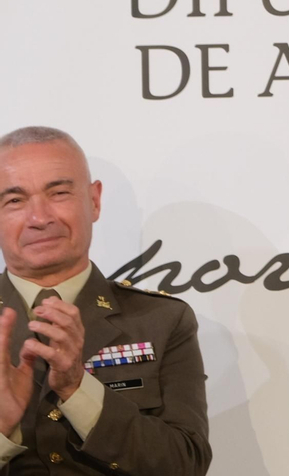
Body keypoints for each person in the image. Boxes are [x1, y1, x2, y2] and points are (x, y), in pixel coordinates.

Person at [0, 126, 211, 474]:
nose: (40, 218)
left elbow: (184, 465)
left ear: (94, 201)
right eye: (15, 200)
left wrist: (78, 389)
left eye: (59, 193)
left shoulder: (162, 320)